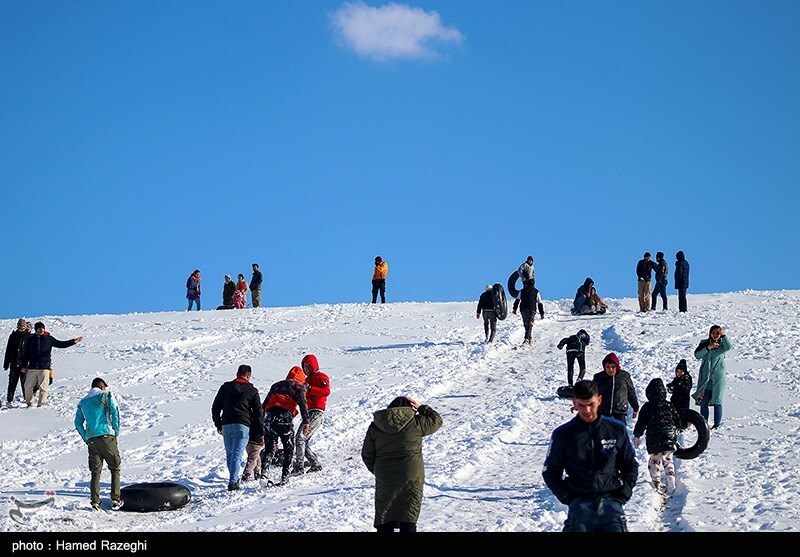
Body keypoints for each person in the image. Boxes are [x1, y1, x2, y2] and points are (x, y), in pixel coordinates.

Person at [542, 380, 638, 532]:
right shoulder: (563, 434)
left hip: (611, 502)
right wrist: (568, 497)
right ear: (574, 403)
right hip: (580, 504)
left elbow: (630, 464)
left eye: (591, 404)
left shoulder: (616, 429)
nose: (587, 410)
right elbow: (550, 471)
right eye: (581, 405)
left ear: (599, 400)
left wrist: (623, 493)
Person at [361, 395, 442, 533]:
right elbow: (436, 420)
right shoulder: (416, 423)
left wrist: (379, 470)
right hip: (411, 475)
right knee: (409, 514)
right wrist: (422, 408)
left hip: (385, 476)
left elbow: (367, 454)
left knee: (385, 515)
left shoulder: (376, 426)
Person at [211, 364, 263, 491]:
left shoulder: (225, 387)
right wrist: (260, 433)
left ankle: (233, 479)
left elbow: (215, 407)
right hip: (242, 425)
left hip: (226, 424)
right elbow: (258, 413)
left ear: (237, 374)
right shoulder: (252, 391)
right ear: (249, 375)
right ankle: (233, 482)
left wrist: (218, 423)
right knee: (237, 454)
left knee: (230, 454)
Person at [74, 377, 123, 511]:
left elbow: (78, 423)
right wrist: (116, 431)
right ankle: (115, 499)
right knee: (115, 467)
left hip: (92, 440)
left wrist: (86, 437)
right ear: (102, 387)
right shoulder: (106, 395)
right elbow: (115, 412)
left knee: (95, 472)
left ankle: (95, 502)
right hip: (107, 436)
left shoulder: (83, 402)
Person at [260, 366, 310, 486]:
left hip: (269, 417)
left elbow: (264, 405)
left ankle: (264, 475)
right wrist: (306, 421)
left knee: (270, 448)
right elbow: (303, 403)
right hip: (284, 417)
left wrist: (262, 425)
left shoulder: (276, 385)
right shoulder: (299, 386)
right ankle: (284, 478)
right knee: (289, 448)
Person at [632, 378, 681, 495]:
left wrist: (637, 435)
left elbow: (641, 423)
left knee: (654, 461)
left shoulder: (647, 407)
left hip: (654, 438)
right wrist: (680, 427)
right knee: (668, 459)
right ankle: (671, 479)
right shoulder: (669, 405)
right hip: (669, 435)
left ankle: (656, 483)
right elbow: (676, 419)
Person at [21, 322, 82, 407]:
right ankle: (30, 403)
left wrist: (73, 341)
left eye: (43, 328)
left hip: (44, 367)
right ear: (36, 330)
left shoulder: (49, 338)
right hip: (32, 367)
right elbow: (26, 354)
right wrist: (24, 366)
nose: (41, 330)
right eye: (39, 328)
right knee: (27, 386)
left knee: (43, 387)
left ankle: (41, 404)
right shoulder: (30, 339)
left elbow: (61, 344)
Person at [292, 354, 330, 475]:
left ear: (314, 366)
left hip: (317, 412)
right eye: (304, 367)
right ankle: (315, 464)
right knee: (303, 440)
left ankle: (299, 467)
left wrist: (311, 389)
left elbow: (326, 391)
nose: (306, 369)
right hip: (309, 413)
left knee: (300, 438)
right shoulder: (306, 381)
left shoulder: (321, 376)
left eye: (308, 366)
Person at [692, 325, 732, 430]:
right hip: (705, 378)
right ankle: (704, 424)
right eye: (713, 333)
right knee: (703, 402)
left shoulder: (722, 345)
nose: (715, 335)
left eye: (717, 333)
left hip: (718, 378)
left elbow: (729, 347)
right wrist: (708, 348)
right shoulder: (704, 343)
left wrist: (724, 336)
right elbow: (697, 355)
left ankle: (716, 425)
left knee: (717, 401)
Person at [592, 353, 639, 423]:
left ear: (617, 366)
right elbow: (591, 393)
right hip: (603, 412)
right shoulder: (599, 378)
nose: (610, 369)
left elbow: (631, 393)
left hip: (619, 412)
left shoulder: (624, 377)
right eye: (607, 367)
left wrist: (635, 408)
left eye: (613, 367)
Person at [4, 319, 31, 407]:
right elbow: (8, 350)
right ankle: (9, 400)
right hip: (14, 364)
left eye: (22, 328)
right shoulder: (13, 336)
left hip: (24, 365)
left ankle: (27, 400)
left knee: (25, 383)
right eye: (19, 328)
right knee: (12, 383)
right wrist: (6, 363)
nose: (21, 330)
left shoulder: (29, 336)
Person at [519, 279, 544, 346]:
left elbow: (517, 299)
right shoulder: (536, 291)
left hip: (523, 309)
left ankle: (528, 338)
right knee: (530, 323)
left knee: (526, 323)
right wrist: (542, 313)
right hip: (532, 309)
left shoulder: (522, 291)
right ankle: (527, 338)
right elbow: (540, 303)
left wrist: (514, 309)